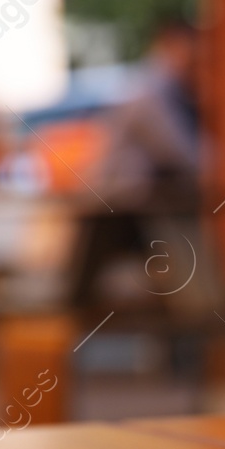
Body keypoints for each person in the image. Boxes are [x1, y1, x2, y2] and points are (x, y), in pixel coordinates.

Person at [68, 20, 204, 307]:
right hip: (117, 202)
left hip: (122, 201)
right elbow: (178, 149)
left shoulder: (158, 88)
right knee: (86, 293)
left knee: (91, 290)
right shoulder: (152, 91)